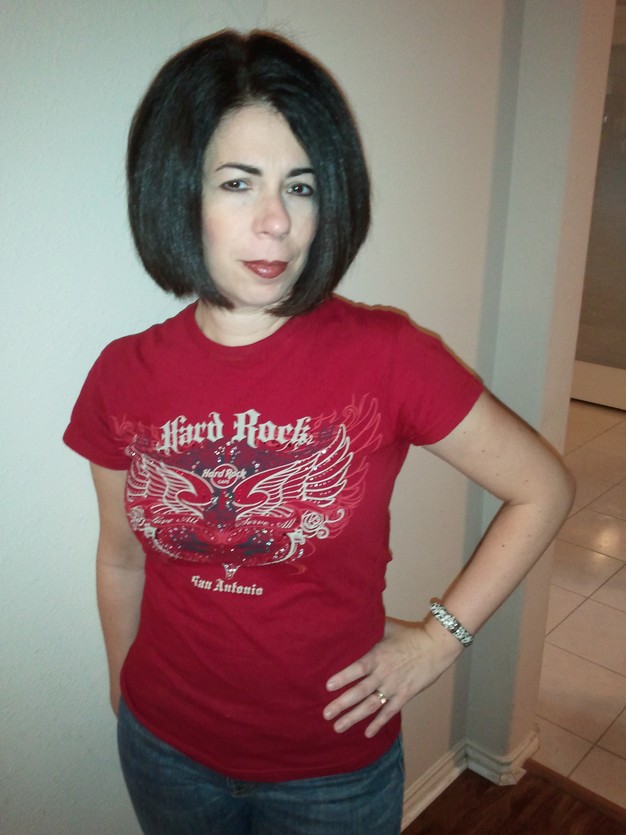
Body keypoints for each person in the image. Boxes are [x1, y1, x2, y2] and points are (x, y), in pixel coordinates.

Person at [63, 29, 574, 835]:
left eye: (300, 187)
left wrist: (439, 640)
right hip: (164, 747)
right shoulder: (123, 373)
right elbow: (121, 556)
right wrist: (122, 685)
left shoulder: (388, 355)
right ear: (177, 192)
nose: (276, 222)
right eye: (239, 182)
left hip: (331, 771)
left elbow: (543, 488)